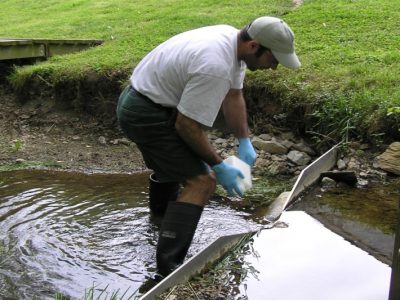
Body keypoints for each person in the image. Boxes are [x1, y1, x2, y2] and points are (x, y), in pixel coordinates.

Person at [116, 16, 300, 278]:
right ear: (254, 46)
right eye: (273, 60)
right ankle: (169, 270)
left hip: (148, 101)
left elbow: (234, 95)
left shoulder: (232, 42)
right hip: (145, 112)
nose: (274, 68)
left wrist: (244, 140)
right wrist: (218, 165)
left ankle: (159, 225)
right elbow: (187, 126)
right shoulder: (214, 64)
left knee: (175, 167)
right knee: (202, 182)